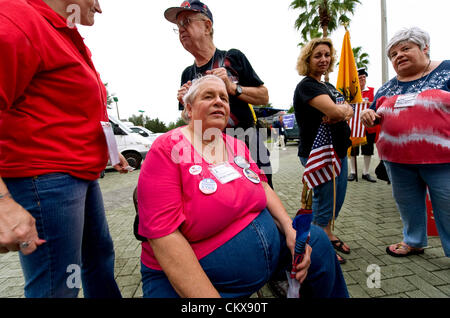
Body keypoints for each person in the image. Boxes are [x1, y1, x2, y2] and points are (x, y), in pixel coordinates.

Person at [137, 75, 348, 298]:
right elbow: (164, 235)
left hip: (271, 250)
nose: (219, 101)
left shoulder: (237, 144)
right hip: (202, 274)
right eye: (208, 96)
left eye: (224, 98)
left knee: (318, 241)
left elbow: (263, 187)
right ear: (189, 109)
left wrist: (289, 228)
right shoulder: (167, 149)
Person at [0, 0, 129, 297]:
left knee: (98, 259)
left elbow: (74, 110)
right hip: (44, 178)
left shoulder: (62, 33)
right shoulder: (19, 18)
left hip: (79, 176)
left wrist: (110, 153)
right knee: (57, 284)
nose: (99, 8)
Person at [165, 0, 274, 188]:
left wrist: (233, 89)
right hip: (210, 149)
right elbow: (187, 120)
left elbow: (264, 96)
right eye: (177, 27)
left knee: (264, 201)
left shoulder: (232, 57)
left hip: (246, 141)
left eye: (186, 22)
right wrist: (187, 106)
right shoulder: (187, 74)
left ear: (207, 26)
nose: (181, 30)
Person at [361, 27, 450, 257]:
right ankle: (414, 241)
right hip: (397, 161)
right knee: (408, 205)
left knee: (447, 207)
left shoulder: (446, 71)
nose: (398, 55)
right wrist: (368, 117)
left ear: (424, 48)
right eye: (393, 54)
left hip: (442, 159)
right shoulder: (388, 86)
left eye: (405, 49)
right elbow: (371, 118)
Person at [293, 38, 354, 264]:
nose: (323, 59)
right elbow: (338, 112)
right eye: (317, 55)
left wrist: (341, 110)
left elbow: (344, 109)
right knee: (324, 200)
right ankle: (317, 246)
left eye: (327, 55)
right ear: (307, 60)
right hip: (318, 152)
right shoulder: (307, 86)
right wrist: (340, 111)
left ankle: (326, 233)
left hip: (338, 151)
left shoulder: (328, 87)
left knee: (336, 199)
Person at [347, 67, 377, 183]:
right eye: (360, 78)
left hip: (368, 125)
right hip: (355, 125)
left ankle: (366, 172)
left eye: (364, 77)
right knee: (353, 148)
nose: (362, 79)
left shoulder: (372, 91)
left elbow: (375, 104)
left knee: (368, 149)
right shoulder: (352, 93)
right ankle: (353, 171)